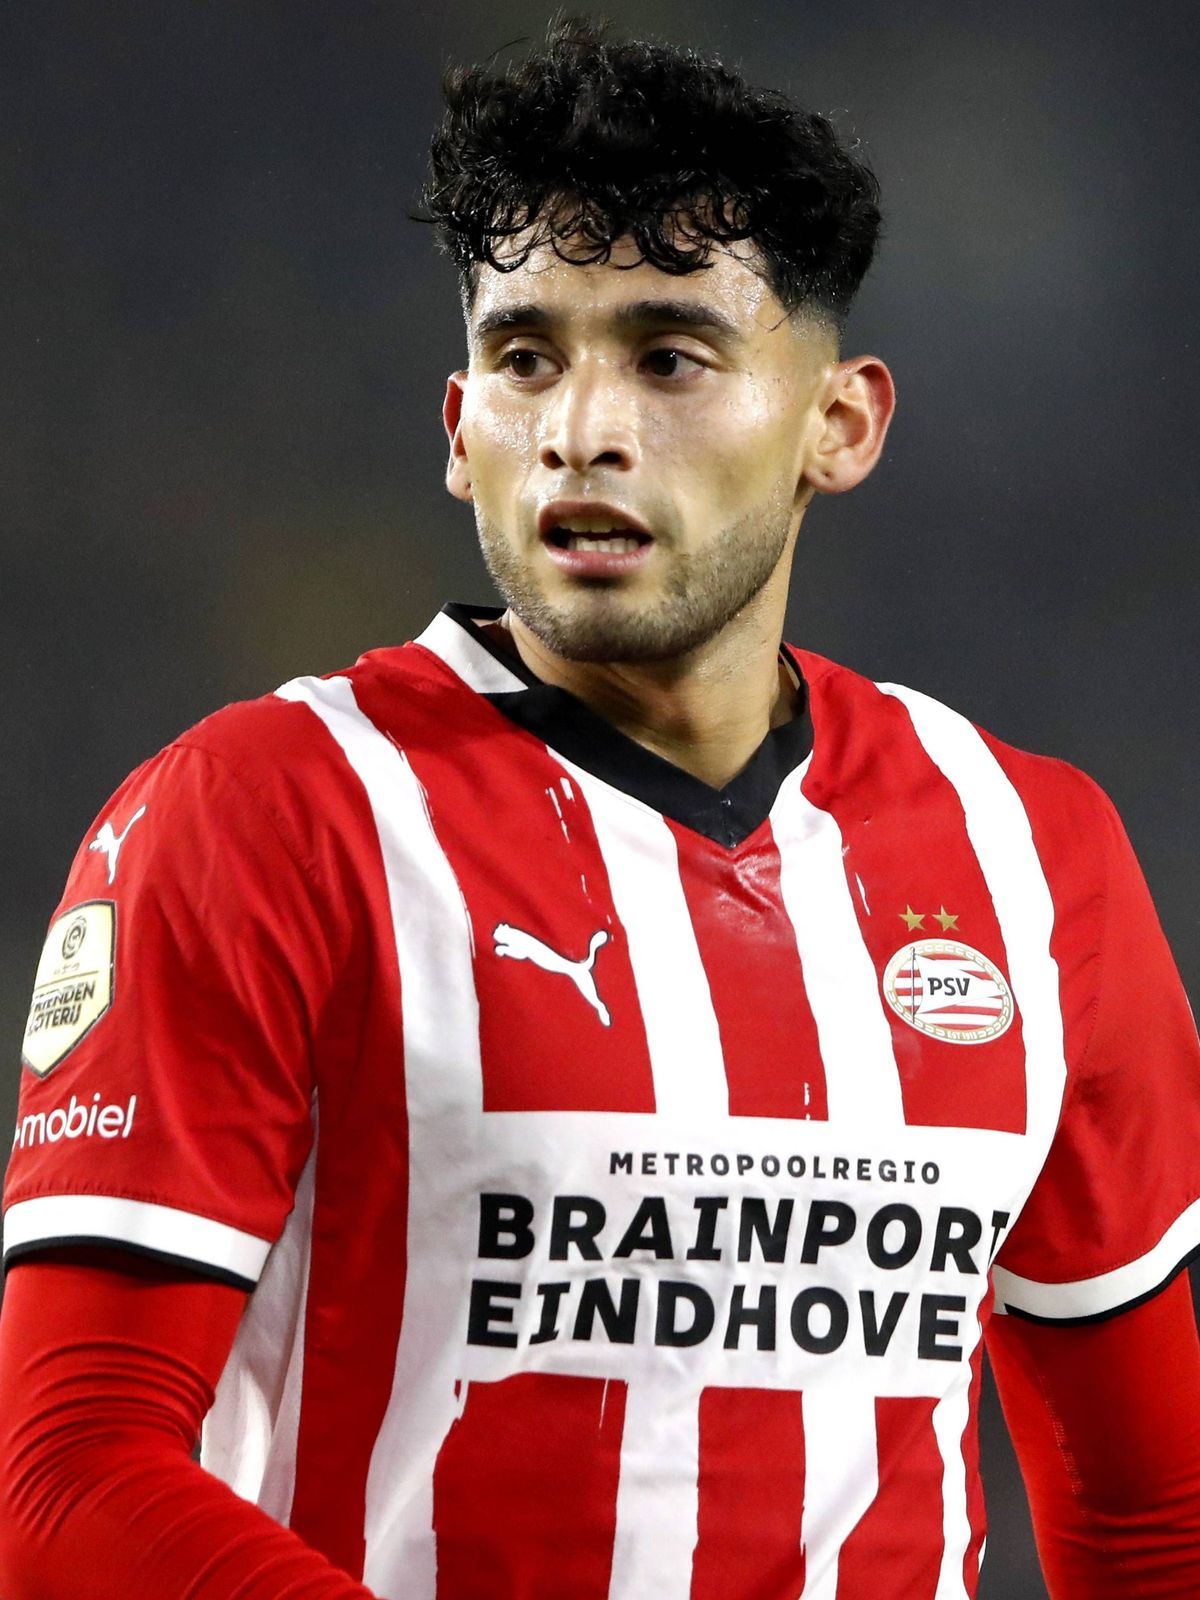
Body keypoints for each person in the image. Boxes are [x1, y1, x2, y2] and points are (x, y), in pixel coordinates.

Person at [2, 17, 1200, 1599]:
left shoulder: (1034, 856)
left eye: (670, 354)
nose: (582, 426)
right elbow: (67, 1484)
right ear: (458, 432)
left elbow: (1152, 1515)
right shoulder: (262, 813)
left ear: (838, 424)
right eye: (525, 358)